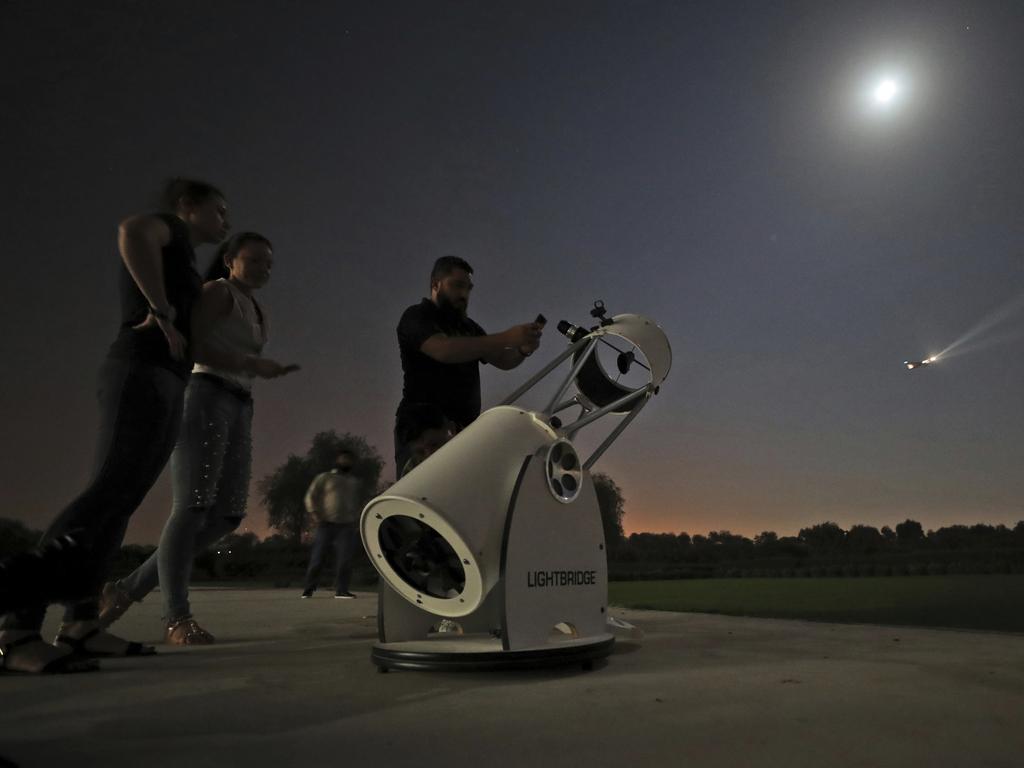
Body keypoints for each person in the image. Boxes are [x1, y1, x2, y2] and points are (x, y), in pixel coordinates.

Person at [0, 178, 228, 673]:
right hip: (138, 370)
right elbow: (131, 230)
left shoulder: (186, 258)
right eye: (219, 210)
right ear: (189, 207)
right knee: (106, 491)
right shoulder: (168, 227)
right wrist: (159, 309)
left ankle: (81, 625)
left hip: (166, 378)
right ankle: (16, 629)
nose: (225, 221)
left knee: (122, 502)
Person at [98, 232, 299, 644]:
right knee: (191, 506)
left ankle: (126, 588)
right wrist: (249, 363)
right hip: (206, 395)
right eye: (255, 260)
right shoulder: (219, 292)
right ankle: (176, 617)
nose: (264, 268)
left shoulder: (259, 308)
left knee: (227, 514)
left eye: (269, 263)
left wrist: (252, 371)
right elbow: (192, 346)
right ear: (230, 260)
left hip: (241, 403)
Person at [394, 256, 543, 477]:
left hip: (462, 434)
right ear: (435, 284)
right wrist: (507, 337)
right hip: (422, 431)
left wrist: (523, 349)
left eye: (468, 288)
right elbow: (443, 350)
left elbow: (503, 360)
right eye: (457, 286)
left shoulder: (470, 327)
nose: (464, 295)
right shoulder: (416, 316)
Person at [300, 450, 364, 599]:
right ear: (337, 460)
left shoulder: (353, 482)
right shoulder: (325, 477)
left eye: (349, 460)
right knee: (317, 558)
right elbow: (311, 495)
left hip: (346, 526)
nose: (346, 462)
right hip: (326, 524)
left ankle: (341, 590)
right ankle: (308, 589)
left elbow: (356, 502)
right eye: (343, 459)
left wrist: (357, 517)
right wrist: (314, 512)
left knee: (345, 560)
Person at [394, 402, 454, 478]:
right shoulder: (410, 473)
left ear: (452, 430)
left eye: (434, 445)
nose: (429, 456)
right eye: (420, 452)